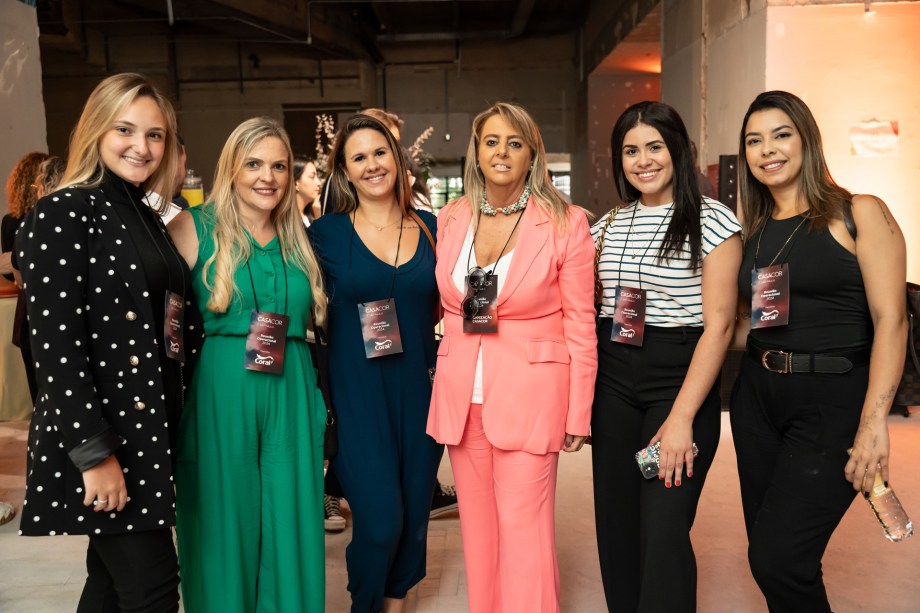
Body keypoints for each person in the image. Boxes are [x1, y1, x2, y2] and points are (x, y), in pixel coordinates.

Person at [15, 72, 203, 611]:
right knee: (153, 592)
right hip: (108, 440)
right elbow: (55, 348)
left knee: (110, 590)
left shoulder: (144, 211)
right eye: (125, 129)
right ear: (96, 129)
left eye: (155, 135)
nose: (141, 147)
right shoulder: (63, 210)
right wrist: (95, 455)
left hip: (150, 430)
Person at [731, 91, 907, 613]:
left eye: (781, 134)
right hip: (757, 400)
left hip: (831, 401)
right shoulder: (757, 233)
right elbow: (757, 323)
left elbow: (892, 321)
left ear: (807, 138)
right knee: (784, 557)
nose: (768, 150)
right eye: (754, 141)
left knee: (777, 557)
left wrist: (874, 423)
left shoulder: (859, 213)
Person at [426, 101, 597, 613]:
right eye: (491, 141)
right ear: (475, 153)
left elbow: (581, 323)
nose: (501, 152)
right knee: (477, 534)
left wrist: (578, 411)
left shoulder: (566, 223)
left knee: (525, 532)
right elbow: (441, 302)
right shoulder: (451, 217)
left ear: (532, 156)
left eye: (514, 143)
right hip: (464, 395)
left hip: (532, 395)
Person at [168, 116, 328, 612]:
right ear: (232, 168)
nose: (269, 177)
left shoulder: (301, 236)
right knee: (222, 523)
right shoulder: (190, 227)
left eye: (279, 166)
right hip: (222, 386)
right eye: (254, 164)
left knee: (292, 522)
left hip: (292, 390)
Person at [590, 101, 741, 612]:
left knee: (664, 526)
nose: (642, 160)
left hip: (678, 381)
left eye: (654, 146)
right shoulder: (608, 224)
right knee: (616, 523)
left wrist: (681, 419)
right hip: (612, 379)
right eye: (630, 150)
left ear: (678, 149)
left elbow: (719, 325)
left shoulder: (713, 219)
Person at [308, 113, 441, 613]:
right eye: (358, 157)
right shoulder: (324, 235)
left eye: (379, 152)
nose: (372, 165)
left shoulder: (433, 228)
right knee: (381, 520)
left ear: (397, 157)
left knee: (412, 520)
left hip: (422, 394)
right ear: (343, 169)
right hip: (355, 395)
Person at [2, 152, 52, 404]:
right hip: (48, 307)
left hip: (27, 307)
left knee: (39, 390)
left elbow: (12, 274)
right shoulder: (53, 220)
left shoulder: (11, 223)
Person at [294, 155, 323, 225]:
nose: (319, 183)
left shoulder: (309, 215)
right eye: (312, 177)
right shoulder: (288, 222)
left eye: (317, 177)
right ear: (296, 184)